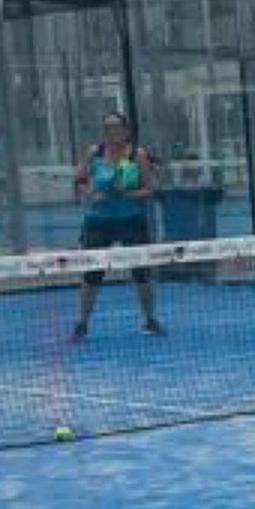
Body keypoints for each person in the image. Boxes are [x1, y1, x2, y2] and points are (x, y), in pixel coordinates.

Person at [71, 111, 165, 340]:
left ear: (126, 131)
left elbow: (148, 190)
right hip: (98, 222)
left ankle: (150, 319)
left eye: (116, 127)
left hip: (131, 220)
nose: (111, 131)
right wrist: (90, 194)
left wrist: (125, 193)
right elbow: (79, 180)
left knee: (142, 274)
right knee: (92, 275)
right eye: (107, 127)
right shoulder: (94, 153)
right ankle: (82, 323)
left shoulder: (137, 155)